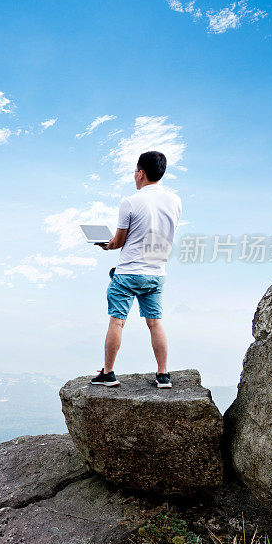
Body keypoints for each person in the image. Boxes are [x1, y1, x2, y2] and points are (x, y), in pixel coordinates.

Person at [90, 151, 182, 389]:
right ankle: (163, 375)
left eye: (134, 171)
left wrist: (106, 244)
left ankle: (108, 373)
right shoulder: (175, 201)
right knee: (155, 322)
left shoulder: (130, 202)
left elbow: (119, 241)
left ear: (140, 173)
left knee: (117, 322)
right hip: (156, 272)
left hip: (129, 272)